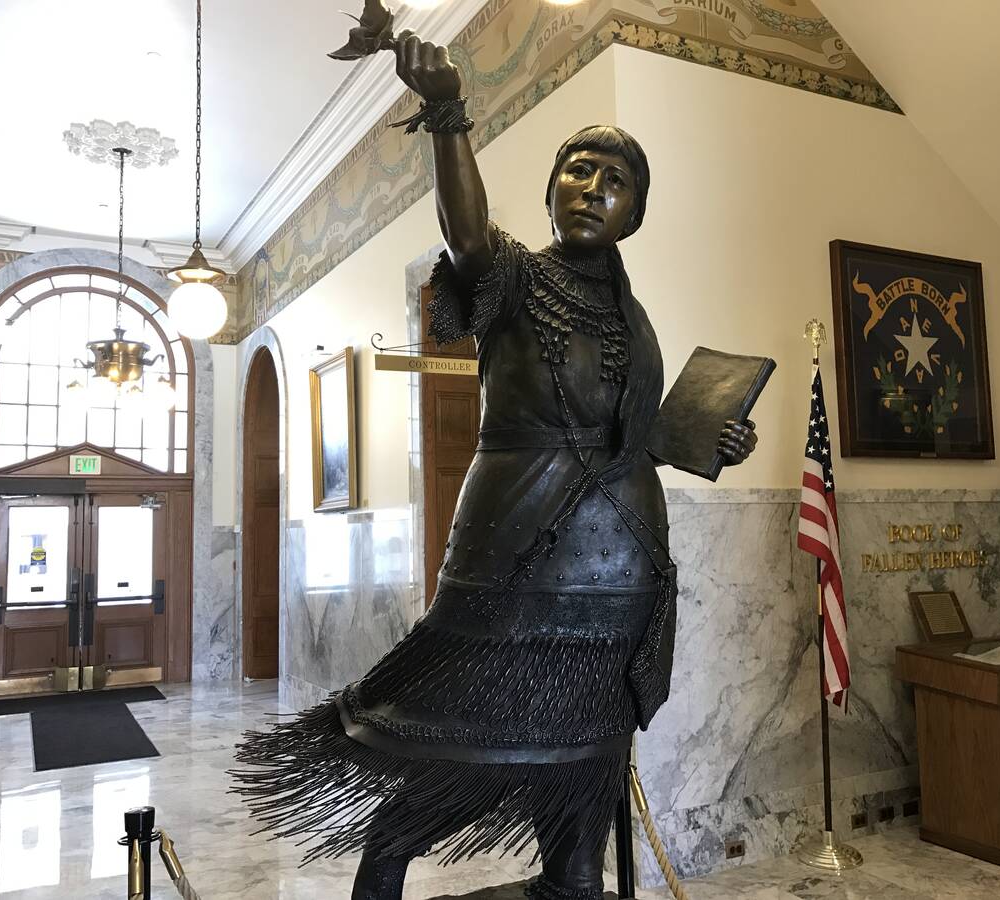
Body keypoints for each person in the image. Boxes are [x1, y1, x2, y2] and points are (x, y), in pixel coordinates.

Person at [234, 32, 758, 900]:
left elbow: (628, 440)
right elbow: (466, 233)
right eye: (578, 172)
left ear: (635, 213)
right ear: (552, 191)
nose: (593, 190)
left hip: (619, 576)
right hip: (518, 558)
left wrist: (705, 443)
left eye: (614, 181)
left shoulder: (637, 319)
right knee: (465, 737)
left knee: (588, 762)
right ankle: (388, 865)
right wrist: (447, 115)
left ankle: (571, 879)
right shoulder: (511, 275)